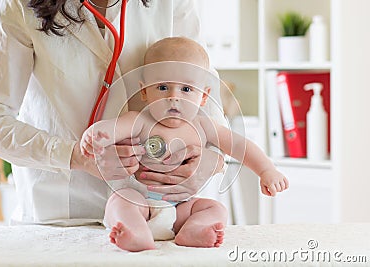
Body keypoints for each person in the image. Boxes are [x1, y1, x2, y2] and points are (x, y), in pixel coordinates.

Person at [0, 0, 225, 225]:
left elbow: (202, 87)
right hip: (63, 215)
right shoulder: (17, 4)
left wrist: (212, 159)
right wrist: (75, 157)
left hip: (165, 210)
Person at [81, 37, 289, 252]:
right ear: (144, 91)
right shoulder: (139, 120)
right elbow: (112, 128)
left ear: (204, 96)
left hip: (181, 207)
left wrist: (266, 170)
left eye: (186, 89)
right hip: (142, 203)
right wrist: (95, 135)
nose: (174, 97)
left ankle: (194, 230)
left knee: (213, 208)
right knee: (120, 201)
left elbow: (240, 146)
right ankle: (134, 231)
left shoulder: (204, 126)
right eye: (162, 87)